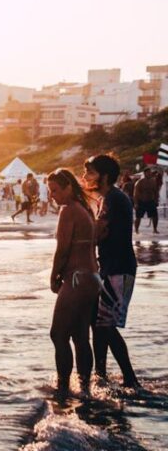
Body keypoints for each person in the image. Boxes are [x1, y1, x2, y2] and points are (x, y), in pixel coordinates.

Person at [83, 154, 140, 388]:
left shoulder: (113, 199)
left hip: (119, 269)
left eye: (91, 172)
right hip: (112, 267)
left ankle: (130, 379)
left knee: (105, 325)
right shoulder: (111, 197)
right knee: (97, 323)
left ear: (104, 177)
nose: (85, 177)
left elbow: (99, 233)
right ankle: (101, 375)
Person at [46, 169, 101, 400]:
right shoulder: (85, 208)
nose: (53, 196)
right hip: (92, 278)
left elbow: (63, 249)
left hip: (76, 279)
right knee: (80, 336)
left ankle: (63, 389)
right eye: (50, 192)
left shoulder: (68, 210)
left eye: (55, 190)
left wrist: (54, 275)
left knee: (58, 335)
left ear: (68, 186)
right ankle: (85, 389)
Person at [133, 167, 160, 234]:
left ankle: (155, 229)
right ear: (145, 173)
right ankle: (136, 230)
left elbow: (156, 192)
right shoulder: (139, 182)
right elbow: (135, 194)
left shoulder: (153, 181)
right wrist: (136, 203)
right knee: (138, 217)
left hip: (151, 201)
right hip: (141, 201)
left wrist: (156, 200)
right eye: (148, 172)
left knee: (155, 216)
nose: (149, 173)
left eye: (150, 172)